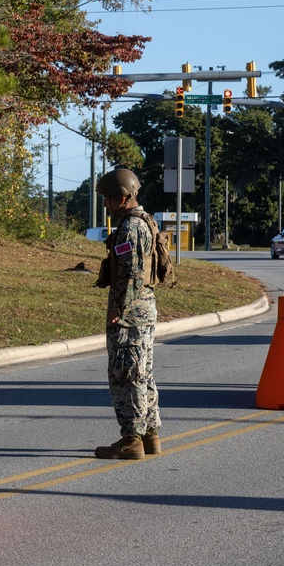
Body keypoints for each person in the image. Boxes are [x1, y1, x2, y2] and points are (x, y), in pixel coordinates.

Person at [93, 168, 162, 460]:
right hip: (143, 310)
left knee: (126, 375)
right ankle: (149, 435)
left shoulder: (131, 228)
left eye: (108, 198)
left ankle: (131, 439)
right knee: (142, 373)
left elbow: (131, 274)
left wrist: (118, 311)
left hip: (131, 314)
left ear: (121, 198)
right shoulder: (143, 222)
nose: (106, 204)